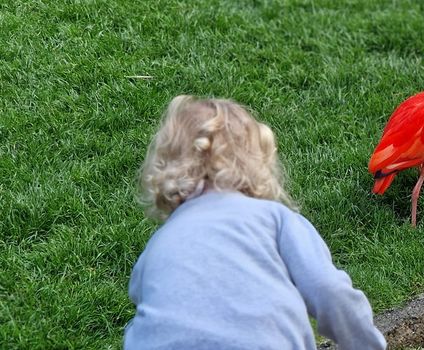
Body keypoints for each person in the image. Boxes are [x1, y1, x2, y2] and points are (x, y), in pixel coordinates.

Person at [126, 95, 386, 349]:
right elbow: (329, 291)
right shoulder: (274, 219)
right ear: (255, 163)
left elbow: (146, 302)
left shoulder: (158, 244)